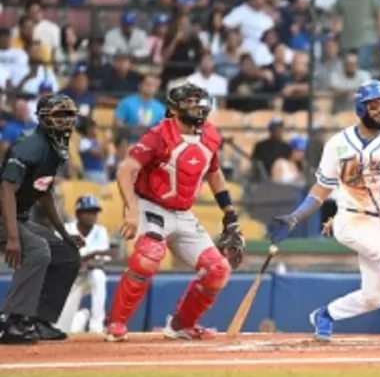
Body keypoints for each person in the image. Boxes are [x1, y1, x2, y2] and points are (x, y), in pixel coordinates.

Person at [267, 80, 380, 345]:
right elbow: (322, 188)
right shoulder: (338, 143)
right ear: (360, 108)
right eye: (374, 105)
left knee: (374, 298)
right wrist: (295, 216)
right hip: (349, 219)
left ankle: (325, 315)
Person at [104, 81, 245, 342]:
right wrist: (132, 211)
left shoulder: (211, 135)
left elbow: (214, 173)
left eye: (197, 100)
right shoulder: (158, 134)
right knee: (148, 256)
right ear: (173, 108)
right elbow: (126, 169)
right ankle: (116, 323)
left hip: (183, 213)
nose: (195, 106)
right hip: (151, 206)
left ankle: (182, 325)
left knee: (218, 270)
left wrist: (230, 213)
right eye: (188, 101)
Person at [0, 95, 84, 344]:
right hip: (5, 215)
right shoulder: (29, 146)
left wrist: (64, 233)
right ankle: (12, 320)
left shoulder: (56, 146)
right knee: (38, 250)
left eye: (69, 115)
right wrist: (13, 237)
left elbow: (43, 190)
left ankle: (38, 320)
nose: (65, 121)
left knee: (67, 254)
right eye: (59, 115)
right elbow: (6, 189)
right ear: (43, 117)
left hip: (19, 217)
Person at [55, 195, 113, 334]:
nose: (91, 216)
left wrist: (84, 258)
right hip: (68, 283)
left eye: (94, 212)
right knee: (62, 329)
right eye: (87, 212)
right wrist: (91, 256)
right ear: (77, 214)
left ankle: (96, 325)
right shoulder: (65, 230)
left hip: (88, 277)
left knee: (98, 276)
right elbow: (61, 259)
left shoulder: (101, 231)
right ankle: (82, 316)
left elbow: (101, 261)